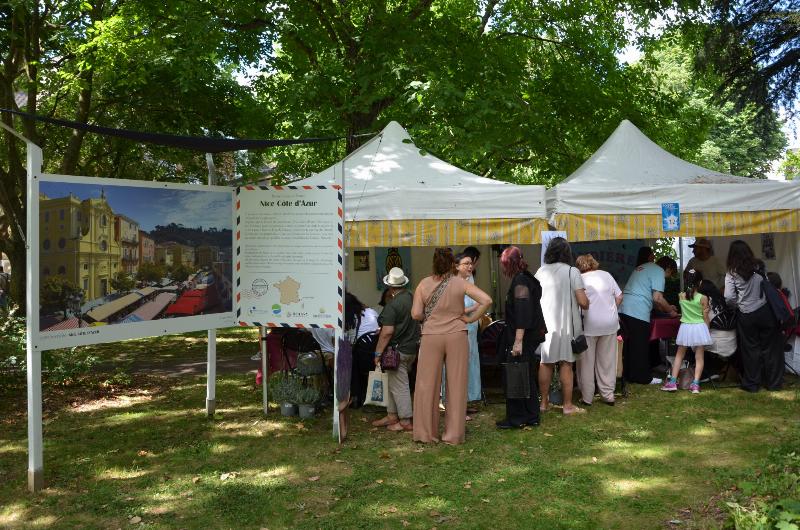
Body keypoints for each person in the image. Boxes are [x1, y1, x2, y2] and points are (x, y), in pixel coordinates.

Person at [411, 248, 492, 444]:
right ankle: (453, 435)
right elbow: (487, 300)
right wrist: (471, 318)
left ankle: (425, 434)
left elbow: (415, 314)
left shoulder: (423, 284)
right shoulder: (459, 283)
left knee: (426, 386)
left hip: (431, 336)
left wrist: (430, 318)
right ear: (452, 264)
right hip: (457, 334)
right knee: (456, 384)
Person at [535, 237, 590, 415]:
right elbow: (583, 301)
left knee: (545, 363)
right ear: (567, 252)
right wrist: (587, 302)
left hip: (545, 327)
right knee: (566, 364)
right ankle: (567, 406)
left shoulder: (541, 271)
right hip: (566, 326)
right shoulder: (572, 271)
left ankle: (543, 403)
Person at [495, 246, 547, 428]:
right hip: (530, 335)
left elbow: (523, 313)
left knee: (515, 375)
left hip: (523, 337)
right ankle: (532, 415)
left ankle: (516, 418)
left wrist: (518, 342)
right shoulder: (526, 278)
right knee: (526, 374)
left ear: (509, 264)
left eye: (503, 265)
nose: (502, 269)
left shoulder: (520, 283)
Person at [724, 240, 783, 392]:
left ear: (732, 254)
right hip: (765, 311)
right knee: (771, 348)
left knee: (750, 350)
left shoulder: (731, 271)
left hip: (746, 315)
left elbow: (729, 297)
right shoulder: (759, 265)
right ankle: (774, 383)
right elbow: (767, 284)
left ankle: (752, 384)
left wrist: (739, 304)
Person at [371, 268, 421, 431]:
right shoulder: (412, 298)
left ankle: (405, 420)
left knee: (399, 385)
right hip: (411, 349)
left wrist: (378, 353)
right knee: (393, 383)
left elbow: (387, 332)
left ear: (391, 287)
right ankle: (392, 416)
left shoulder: (393, 304)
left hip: (397, 351)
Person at [619, 254, 679, 384]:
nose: (667, 277)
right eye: (670, 274)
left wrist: (667, 307)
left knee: (630, 345)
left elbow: (656, 301)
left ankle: (629, 375)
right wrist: (670, 310)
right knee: (640, 345)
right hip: (637, 310)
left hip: (623, 308)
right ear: (667, 268)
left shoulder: (645, 267)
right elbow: (657, 298)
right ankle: (643, 377)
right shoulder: (659, 271)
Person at [575, 254, 623, 406]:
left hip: (589, 324)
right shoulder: (606, 275)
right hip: (609, 323)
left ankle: (587, 397)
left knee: (586, 363)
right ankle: (608, 394)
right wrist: (611, 309)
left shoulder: (580, 279)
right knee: (607, 361)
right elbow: (620, 296)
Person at [441, 253, 482, 417]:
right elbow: (454, 310)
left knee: (468, 367)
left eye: (471, 263)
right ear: (456, 266)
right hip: (458, 330)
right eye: (466, 264)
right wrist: (475, 308)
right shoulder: (451, 284)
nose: (470, 266)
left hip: (470, 331)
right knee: (457, 368)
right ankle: (454, 407)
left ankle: (464, 402)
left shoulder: (470, 281)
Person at [662, 269, 712, 393]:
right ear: (700, 283)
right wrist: (707, 328)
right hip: (699, 327)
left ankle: (672, 382)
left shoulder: (681, 295)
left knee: (679, 355)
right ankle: (695, 384)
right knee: (699, 357)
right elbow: (705, 317)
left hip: (685, 327)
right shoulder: (703, 298)